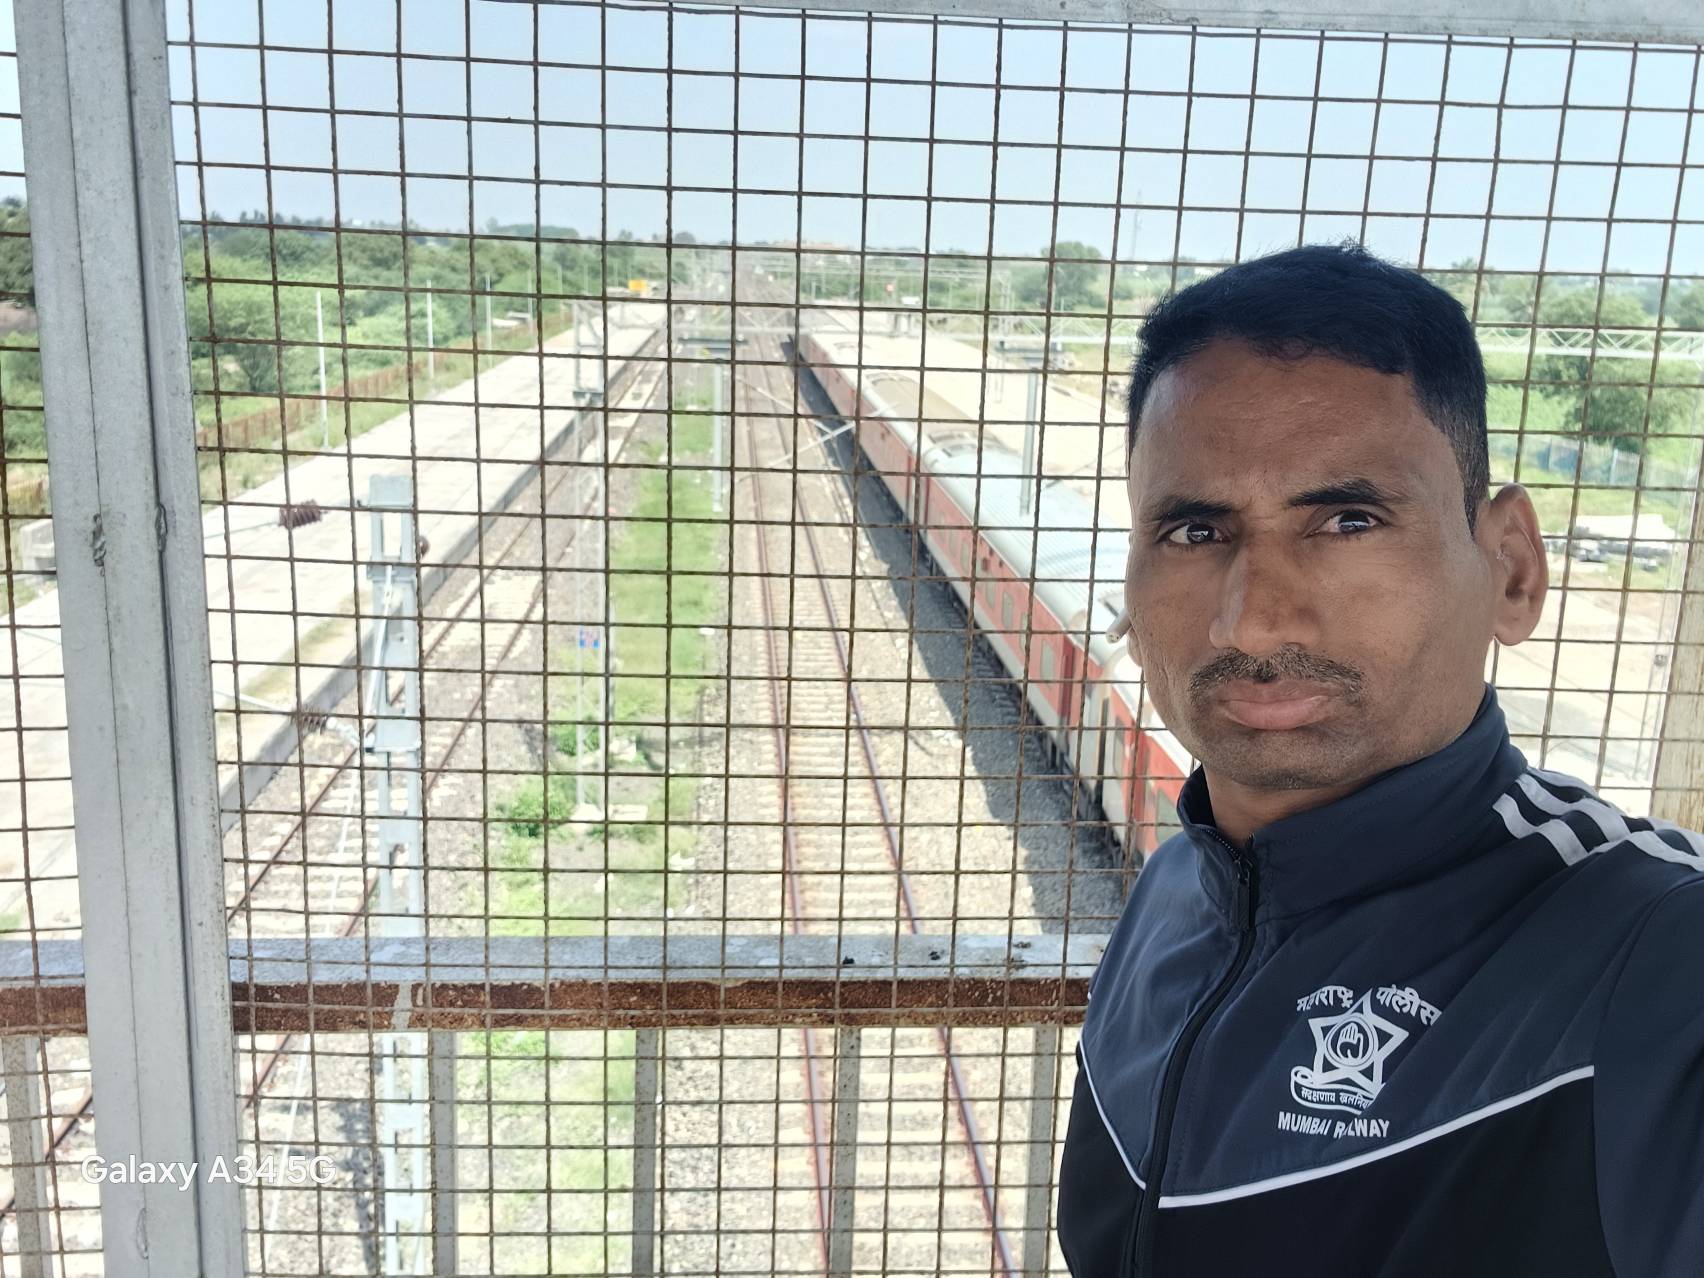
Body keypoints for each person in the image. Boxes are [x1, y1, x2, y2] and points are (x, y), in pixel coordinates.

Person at [1056, 243, 1704, 1276]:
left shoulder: (1654, 957)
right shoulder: (1176, 891)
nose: (1252, 619)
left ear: (1511, 570)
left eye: (1348, 521)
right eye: (1194, 532)